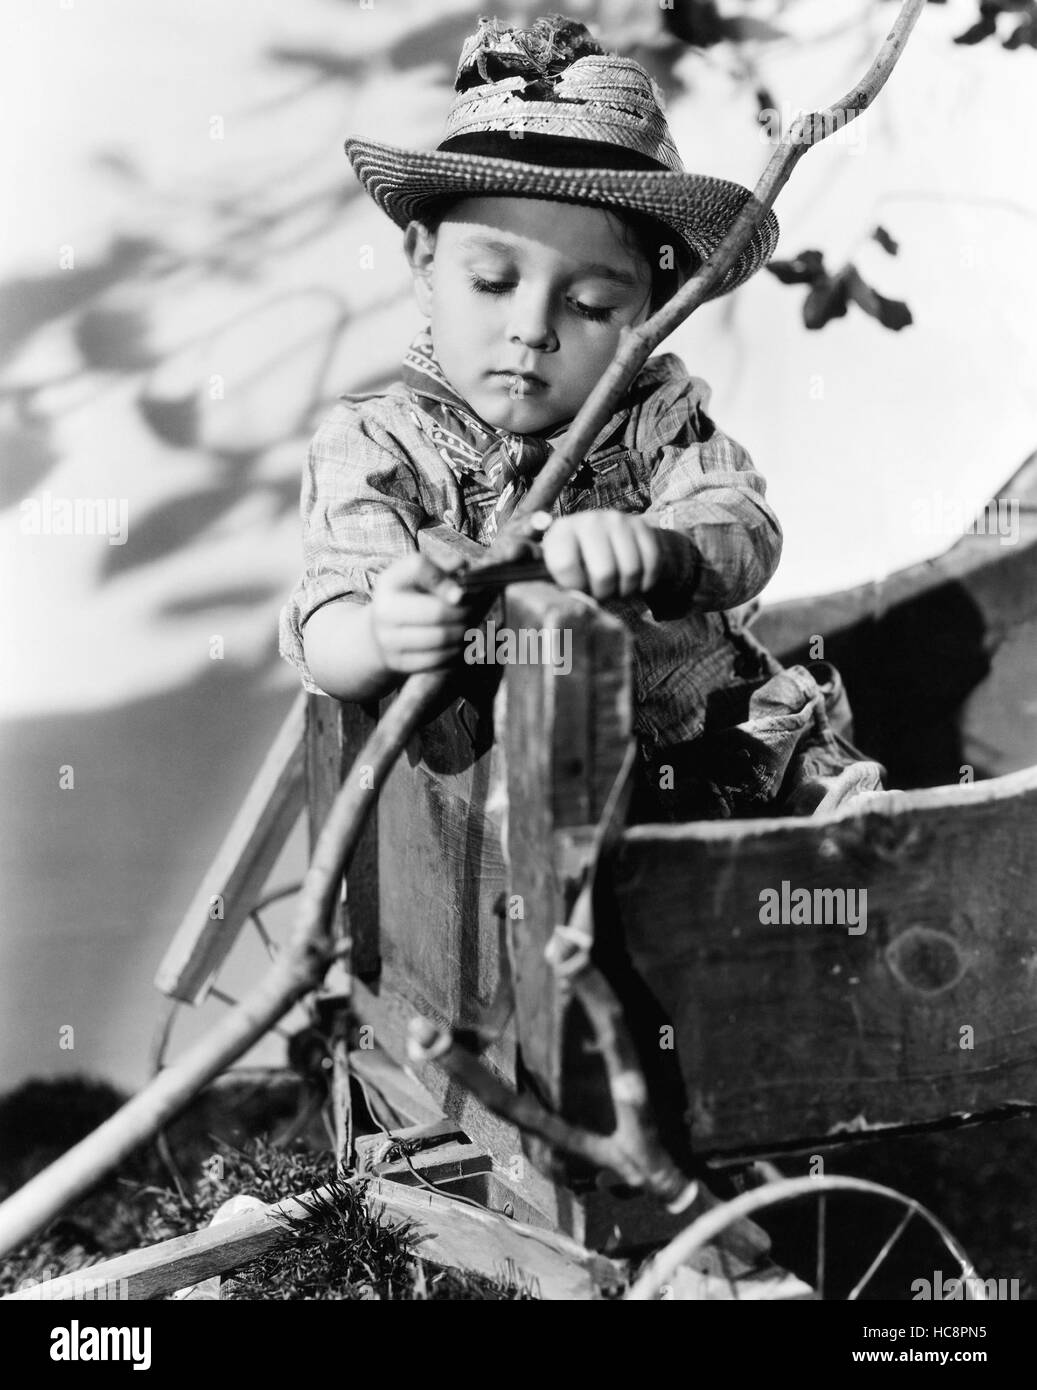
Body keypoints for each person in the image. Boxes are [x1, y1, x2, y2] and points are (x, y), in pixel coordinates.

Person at [279, 13, 884, 821]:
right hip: (520, 810)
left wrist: (660, 549)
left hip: (718, 759)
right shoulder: (376, 444)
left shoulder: (653, 416)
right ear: (425, 264)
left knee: (858, 845)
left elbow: (742, 525)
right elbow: (329, 613)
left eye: (592, 303)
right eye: (492, 284)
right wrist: (382, 635)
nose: (532, 328)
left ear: (653, 306)